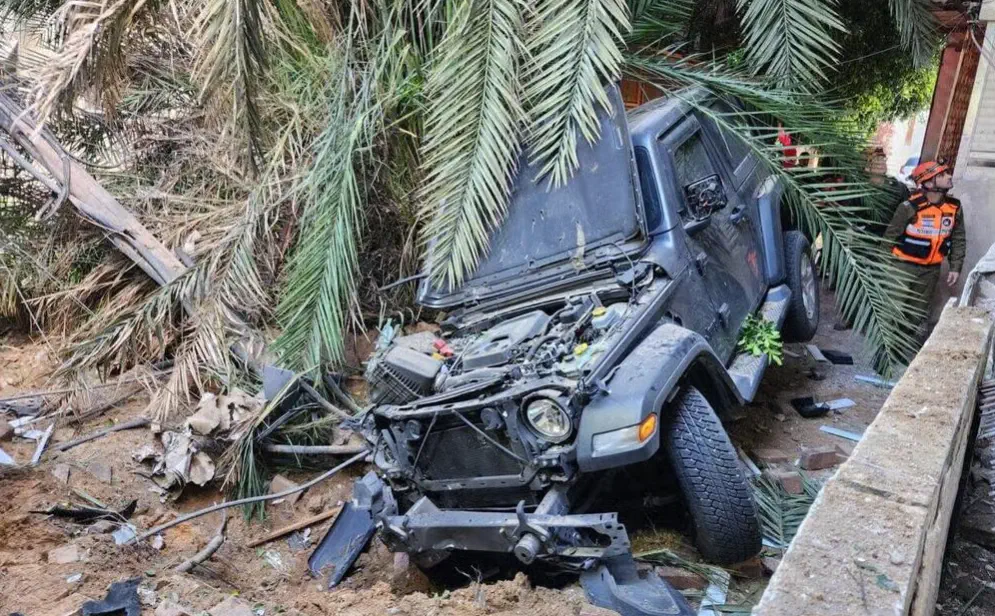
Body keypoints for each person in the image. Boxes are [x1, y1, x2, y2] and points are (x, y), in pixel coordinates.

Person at [884, 160, 965, 342]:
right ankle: (884, 354)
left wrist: (955, 267)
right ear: (928, 183)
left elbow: (958, 239)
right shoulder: (909, 207)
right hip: (901, 267)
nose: (949, 176)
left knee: (916, 313)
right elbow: (890, 237)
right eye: (942, 175)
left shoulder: (954, 208)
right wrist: (883, 267)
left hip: (931, 271)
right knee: (892, 310)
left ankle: (900, 350)